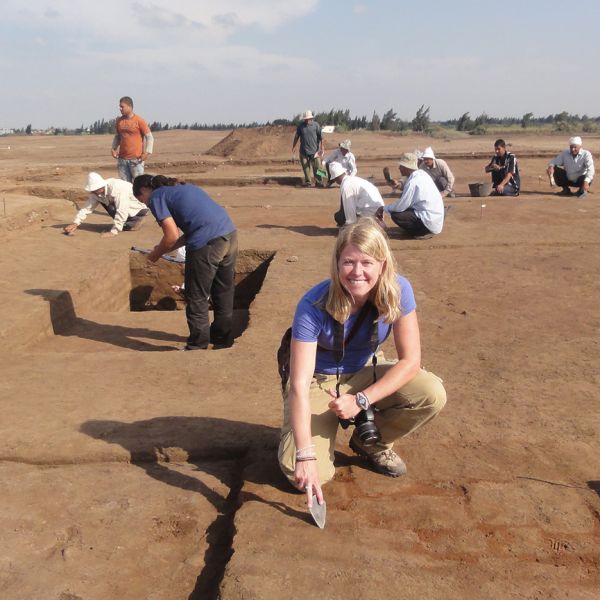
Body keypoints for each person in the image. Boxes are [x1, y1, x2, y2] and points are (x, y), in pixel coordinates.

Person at [278, 218, 446, 507]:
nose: (357, 272)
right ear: (337, 263)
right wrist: (305, 454)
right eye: (348, 262)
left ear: (382, 264)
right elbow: (299, 384)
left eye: (367, 262)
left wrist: (361, 401)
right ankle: (299, 442)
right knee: (301, 473)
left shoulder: (398, 290)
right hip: (321, 380)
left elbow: (411, 361)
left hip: (367, 369)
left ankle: (372, 442)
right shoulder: (313, 305)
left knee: (431, 393)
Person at [133, 175, 238, 350]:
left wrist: (155, 255)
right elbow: (193, 226)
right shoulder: (181, 187)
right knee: (223, 292)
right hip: (229, 235)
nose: (145, 204)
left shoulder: (157, 196)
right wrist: (163, 248)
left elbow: (171, 235)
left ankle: (197, 345)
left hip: (207, 244)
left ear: (144, 191)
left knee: (196, 296)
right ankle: (221, 339)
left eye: (141, 199)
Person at [63, 172, 148, 237]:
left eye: (95, 190)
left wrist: (113, 232)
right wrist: (76, 223)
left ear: (101, 186)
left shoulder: (116, 188)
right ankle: (126, 223)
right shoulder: (96, 193)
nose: (94, 193)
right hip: (126, 208)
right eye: (93, 191)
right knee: (107, 204)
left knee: (114, 208)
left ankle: (136, 221)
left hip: (138, 208)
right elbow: (87, 208)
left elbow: (122, 209)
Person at [383, 153, 444, 239]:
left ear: (407, 167)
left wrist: (385, 208)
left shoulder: (413, 181)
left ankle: (420, 232)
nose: (399, 168)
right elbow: (408, 189)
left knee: (396, 215)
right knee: (404, 208)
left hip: (430, 222)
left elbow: (401, 206)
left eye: (401, 166)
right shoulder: (421, 174)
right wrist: (399, 185)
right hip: (435, 219)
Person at [111, 96, 154, 183]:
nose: (120, 109)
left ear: (130, 106)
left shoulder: (139, 121)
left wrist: (147, 152)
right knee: (125, 186)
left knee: (139, 186)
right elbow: (117, 136)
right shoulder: (119, 121)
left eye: (122, 106)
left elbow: (149, 137)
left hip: (136, 160)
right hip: (122, 160)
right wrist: (113, 148)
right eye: (120, 106)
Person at [329, 162, 385, 227]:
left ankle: (372, 224)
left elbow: (350, 212)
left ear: (335, 179)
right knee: (340, 216)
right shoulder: (353, 179)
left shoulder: (346, 186)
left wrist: (348, 227)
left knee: (340, 217)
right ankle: (374, 222)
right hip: (379, 208)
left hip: (369, 210)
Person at [292, 110, 324, 187]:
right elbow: (296, 137)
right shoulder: (300, 126)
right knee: (306, 169)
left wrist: (322, 147)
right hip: (303, 152)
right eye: (305, 119)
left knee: (318, 168)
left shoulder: (316, 125)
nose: (307, 120)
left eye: (308, 119)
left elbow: (321, 137)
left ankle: (319, 182)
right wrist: (294, 146)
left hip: (315, 152)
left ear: (311, 118)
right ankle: (308, 182)